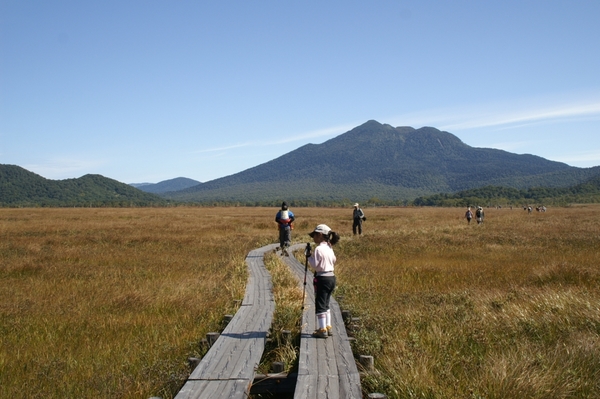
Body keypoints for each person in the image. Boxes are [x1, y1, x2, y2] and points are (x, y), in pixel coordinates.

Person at [306, 224, 340, 338]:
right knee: (326, 303)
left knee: (320, 304)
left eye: (314, 235)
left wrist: (309, 256)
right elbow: (334, 260)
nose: (313, 238)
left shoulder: (319, 249)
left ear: (320, 235)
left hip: (322, 278)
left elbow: (315, 265)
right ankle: (328, 327)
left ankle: (322, 329)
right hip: (331, 278)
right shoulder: (329, 247)